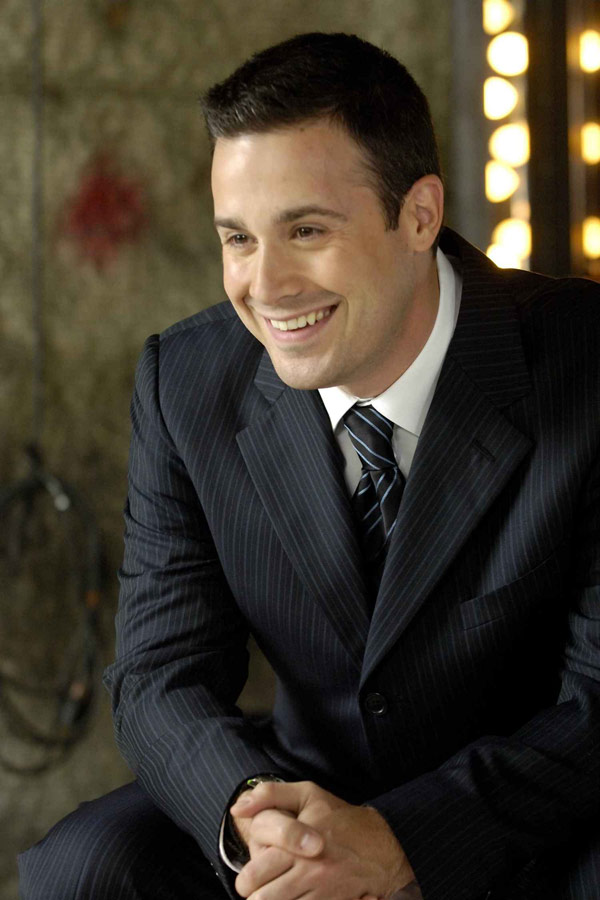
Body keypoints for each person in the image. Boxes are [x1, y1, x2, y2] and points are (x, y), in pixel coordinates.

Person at [19, 31, 600, 900]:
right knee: (85, 869)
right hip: (305, 796)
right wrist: (258, 814)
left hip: (528, 821)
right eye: (238, 239)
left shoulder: (585, 360)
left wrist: (404, 841)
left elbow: (595, 700)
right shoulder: (185, 383)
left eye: (306, 230)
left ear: (420, 215)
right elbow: (160, 675)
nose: (267, 285)